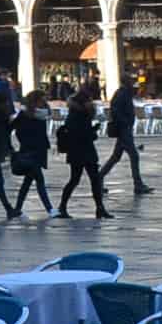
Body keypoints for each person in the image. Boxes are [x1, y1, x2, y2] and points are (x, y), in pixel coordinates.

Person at [53, 78, 107, 220]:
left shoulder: (77, 114)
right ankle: (63, 206)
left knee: (85, 180)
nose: (92, 104)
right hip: (82, 150)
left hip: (79, 151)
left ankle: (98, 208)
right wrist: (93, 131)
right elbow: (82, 133)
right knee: (82, 180)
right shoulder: (79, 115)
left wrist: (91, 130)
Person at [105, 76, 152, 195]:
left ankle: (99, 179)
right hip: (124, 130)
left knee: (115, 157)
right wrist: (125, 123)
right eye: (131, 82)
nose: (133, 84)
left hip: (125, 129)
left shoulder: (124, 93)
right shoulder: (121, 94)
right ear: (126, 82)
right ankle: (138, 185)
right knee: (134, 156)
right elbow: (115, 111)